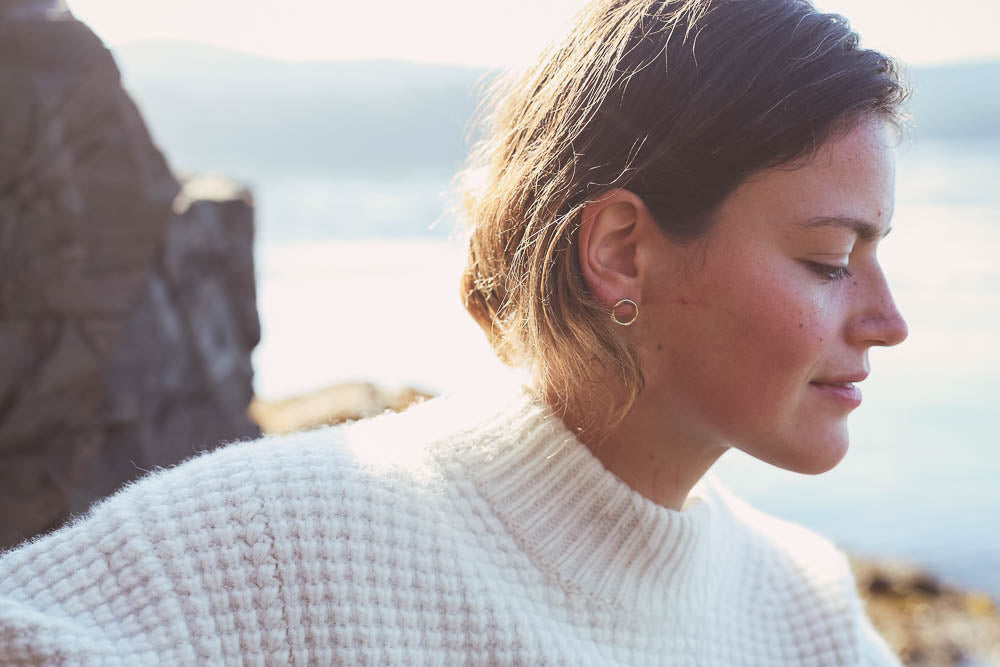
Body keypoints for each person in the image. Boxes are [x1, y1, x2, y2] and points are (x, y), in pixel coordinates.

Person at [1, 0, 908, 664]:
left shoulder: (808, 613)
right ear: (623, 251)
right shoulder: (276, 546)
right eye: (830, 258)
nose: (890, 321)